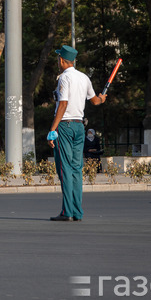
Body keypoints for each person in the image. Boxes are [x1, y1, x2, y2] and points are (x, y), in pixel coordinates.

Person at [47, 45, 107, 222]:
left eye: (58, 59)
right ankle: (77, 212)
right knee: (75, 170)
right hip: (79, 127)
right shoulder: (84, 77)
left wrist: (52, 129)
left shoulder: (64, 78)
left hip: (64, 126)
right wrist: (102, 98)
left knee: (65, 170)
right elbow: (95, 100)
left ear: (62, 60)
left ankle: (67, 212)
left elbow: (63, 104)